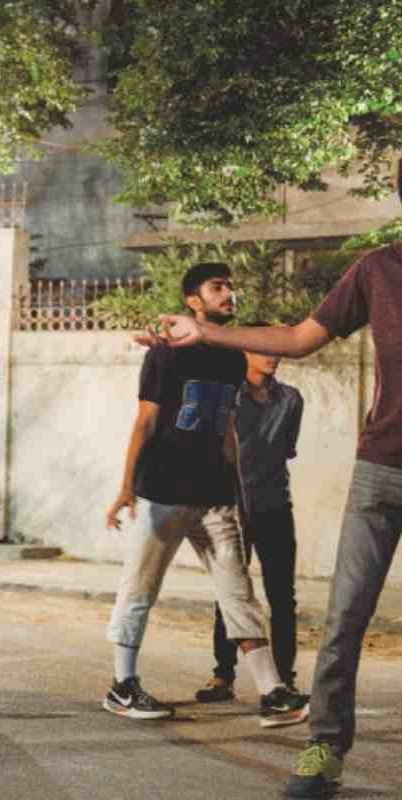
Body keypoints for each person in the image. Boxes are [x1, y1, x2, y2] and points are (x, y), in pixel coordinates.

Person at [140, 240, 402, 798]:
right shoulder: (379, 268)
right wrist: (205, 332)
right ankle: (326, 746)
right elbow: (300, 338)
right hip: (382, 467)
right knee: (344, 619)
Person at [102, 262, 308, 728]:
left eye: (232, 286)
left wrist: (235, 485)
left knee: (239, 593)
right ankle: (122, 685)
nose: (229, 293)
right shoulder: (164, 357)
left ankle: (272, 691)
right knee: (140, 588)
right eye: (218, 287)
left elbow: (228, 426)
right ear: (194, 300)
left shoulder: (233, 356)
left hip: (215, 494)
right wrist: (125, 488)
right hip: (163, 491)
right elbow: (145, 421)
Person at [195, 334, 304, 704]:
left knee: (282, 597)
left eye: (276, 348)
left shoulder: (290, 400)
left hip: (275, 507)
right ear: (244, 354)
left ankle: (283, 679)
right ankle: (222, 676)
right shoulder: (230, 398)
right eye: (263, 349)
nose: (273, 355)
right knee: (232, 595)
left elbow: (287, 449)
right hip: (233, 507)